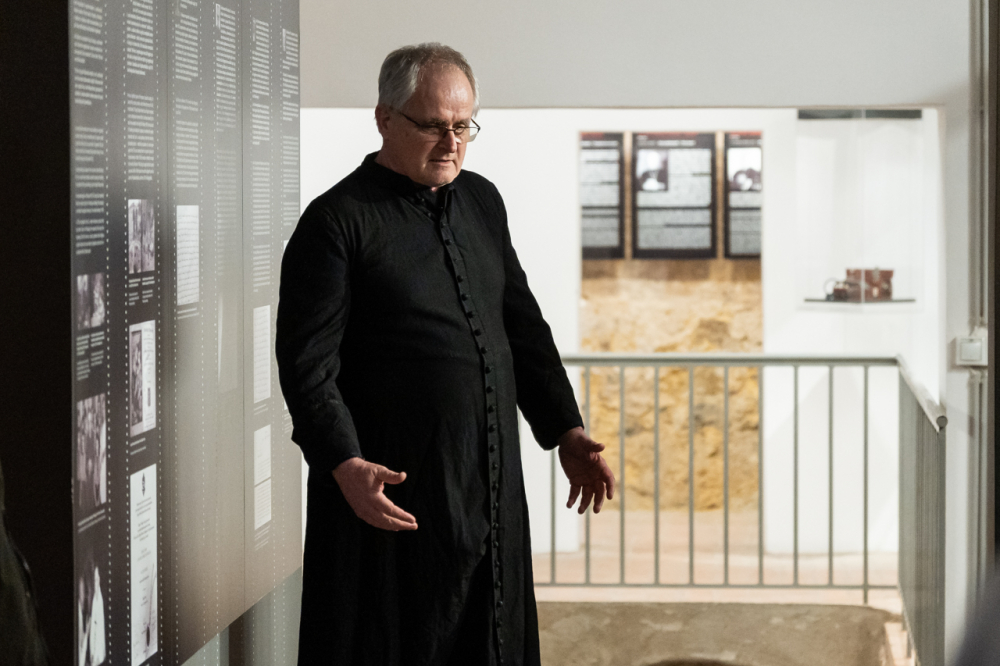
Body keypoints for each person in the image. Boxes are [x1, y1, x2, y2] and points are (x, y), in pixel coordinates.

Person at [276, 43, 615, 665]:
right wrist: (344, 463)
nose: (451, 143)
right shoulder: (336, 222)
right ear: (384, 119)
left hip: (488, 487)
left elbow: (523, 328)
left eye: (464, 126)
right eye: (433, 125)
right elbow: (307, 368)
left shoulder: (482, 201)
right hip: (393, 496)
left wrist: (566, 431)